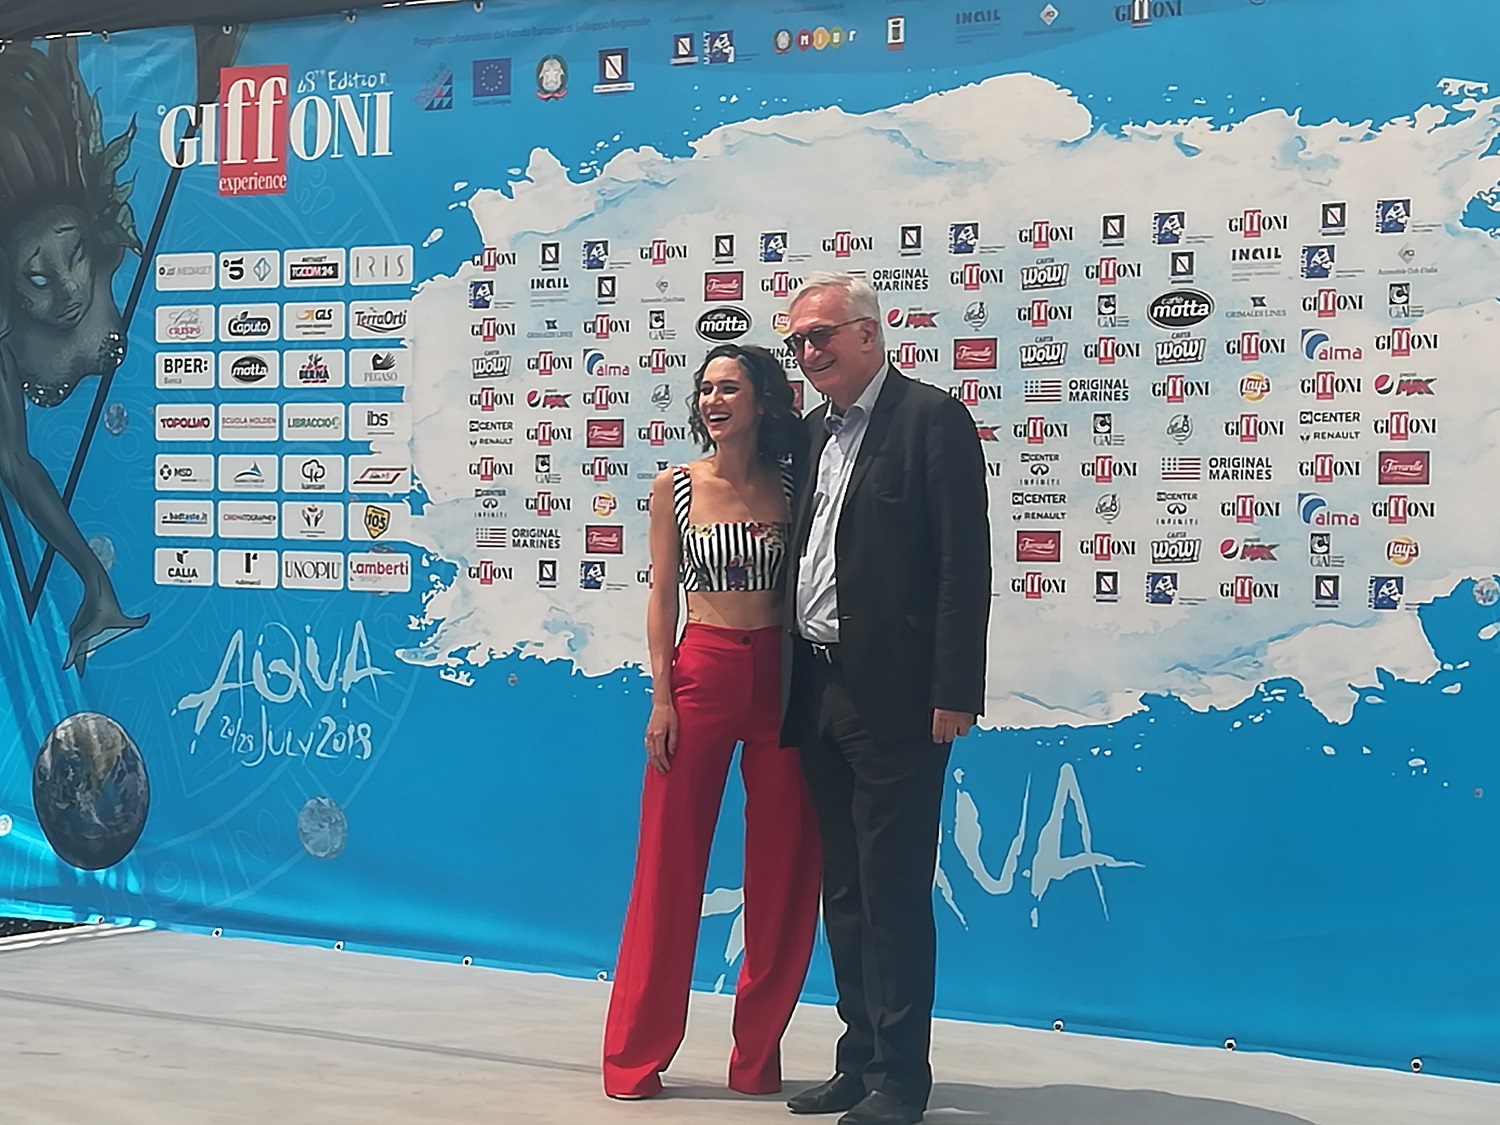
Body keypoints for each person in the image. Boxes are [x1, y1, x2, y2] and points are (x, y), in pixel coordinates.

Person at [780, 274, 991, 1125]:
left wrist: (955, 688)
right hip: (818, 687)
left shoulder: (931, 418)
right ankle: (858, 1057)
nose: (808, 351)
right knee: (845, 888)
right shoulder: (811, 433)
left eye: (821, 335)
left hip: (900, 700)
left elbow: (963, 565)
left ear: (869, 333)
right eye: (797, 340)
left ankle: (901, 1077)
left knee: (892, 889)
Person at [603, 343, 821, 1100]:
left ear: (763, 400)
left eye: (730, 387)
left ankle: (757, 1059)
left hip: (785, 679)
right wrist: (661, 697)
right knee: (667, 867)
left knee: (785, 872)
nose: (714, 400)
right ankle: (634, 1058)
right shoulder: (676, 486)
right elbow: (662, 594)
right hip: (702, 674)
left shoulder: (796, 480)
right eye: (705, 389)